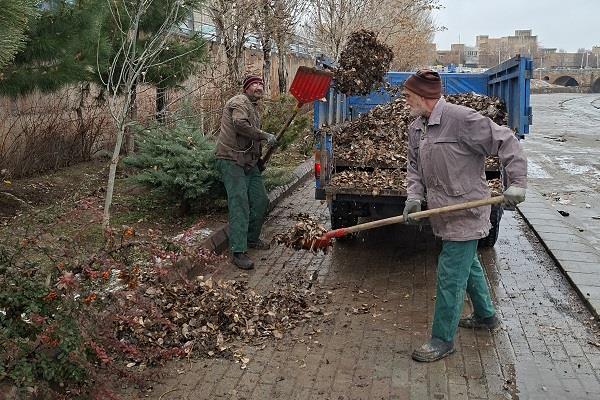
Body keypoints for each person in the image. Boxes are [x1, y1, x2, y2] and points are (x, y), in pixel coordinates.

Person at [401, 69, 527, 362]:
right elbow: (414, 167)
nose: (404, 100)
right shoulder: (417, 128)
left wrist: (517, 183)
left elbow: (507, 141)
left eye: (407, 95)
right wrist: (414, 198)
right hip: (442, 212)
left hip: (467, 211)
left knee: (450, 273)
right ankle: (486, 316)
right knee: (467, 265)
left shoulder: (461, 119)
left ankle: (442, 339)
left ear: (422, 95)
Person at [215, 75, 277, 270]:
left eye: (261, 84)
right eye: (255, 84)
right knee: (239, 203)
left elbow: (251, 139)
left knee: (260, 201)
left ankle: (251, 238)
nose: (259, 87)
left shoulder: (253, 107)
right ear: (246, 88)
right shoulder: (239, 101)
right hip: (231, 161)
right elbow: (240, 125)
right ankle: (238, 251)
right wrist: (264, 135)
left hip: (249, 163)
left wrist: (258, 158)